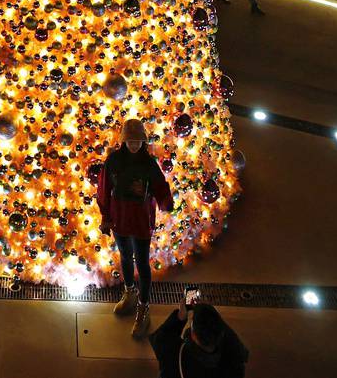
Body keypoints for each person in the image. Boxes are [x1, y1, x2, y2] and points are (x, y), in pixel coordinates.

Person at [97, 117, 173, 339]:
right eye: (130, 140)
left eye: (138, 140)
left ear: (143, 141)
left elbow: (160, 186)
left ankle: (143, 305)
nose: (134, 144)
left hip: (140, 220)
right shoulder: (113, 162)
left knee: (142, 262)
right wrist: (105, 216)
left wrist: (165, 202)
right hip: (120, 219)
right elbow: (103, 189)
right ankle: (129, 292)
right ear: (123, 140)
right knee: (124, 257)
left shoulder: (149, 164)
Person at [149, 298, 250, 378]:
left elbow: (160, 338)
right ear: (221, 334)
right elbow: (239, 348)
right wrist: (212, 313)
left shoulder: (174, 355)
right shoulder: (233, 362)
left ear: (193, 334)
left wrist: (180, 317)